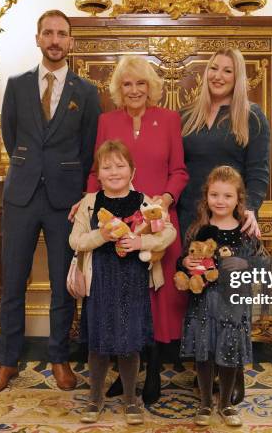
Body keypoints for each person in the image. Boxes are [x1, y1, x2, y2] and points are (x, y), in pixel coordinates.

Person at [0, 9, 101, 395]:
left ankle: (59, 359)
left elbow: (88, 150)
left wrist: (73, 186)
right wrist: (29, 166)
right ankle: (6, 362)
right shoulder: (16, 86)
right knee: (12, 283)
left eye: (61, 34)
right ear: (38, 38)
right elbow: (10, 135)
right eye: (48, 33)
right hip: (20, 195)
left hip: (64, 201)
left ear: (71, 41)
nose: (54, 40)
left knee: (61, 285)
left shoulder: (86, 93)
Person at [78, 55, 188, 404]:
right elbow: (97, 172)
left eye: (141, 83)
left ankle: (153, 373)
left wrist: (166, 201)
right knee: (121, 297)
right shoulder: (107, 120)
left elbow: (180, 171)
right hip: (116, 219)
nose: (135, 90)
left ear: (152, 87)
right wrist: (86, 204)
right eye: (128, 84)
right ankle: (126, 377)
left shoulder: (169, 119)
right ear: (118, 89)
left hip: (157, 220)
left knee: (156, 297)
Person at [178, 47, 270, 403]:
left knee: (232, 303)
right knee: (202, 298)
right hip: (194, 220)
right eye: (213, 69)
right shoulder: (189, 116)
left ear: (238, 77)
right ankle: (205, 373)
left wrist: (252, 210)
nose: (218, 75)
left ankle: (233, 377)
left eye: (227, 71)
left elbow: (259, 170)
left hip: (232, 222)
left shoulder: (252, 116)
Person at [69, 141, 177, 425]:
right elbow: (76, 241)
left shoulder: (144, 202)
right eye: (107, 167)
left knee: (130, 342)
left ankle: (130, 398)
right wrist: (102, 236)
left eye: (120, 166)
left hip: (133, 280)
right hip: (100, 281)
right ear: (98, 174)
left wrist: (142, 241)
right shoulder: (90, 203)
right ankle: (95, 398)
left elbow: (168, 233)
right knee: (99, 343)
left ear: (133, 170)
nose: (114, 172)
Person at [180, 165, 265, 427]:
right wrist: (187, 264)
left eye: (227, 196)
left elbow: (262, 265)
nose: (220, 201)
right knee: (204, 355)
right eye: (214, 195)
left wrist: (245, 264)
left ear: (238, 199)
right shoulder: (198, 229)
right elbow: (182, 260)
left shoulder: (246, 230)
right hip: (204, 303)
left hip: (234, 306)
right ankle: (205, 402)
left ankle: (226, 404)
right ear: (206, 196)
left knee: (229, 354)